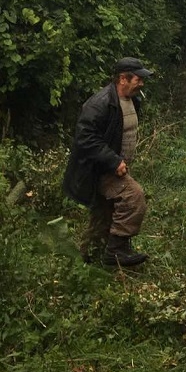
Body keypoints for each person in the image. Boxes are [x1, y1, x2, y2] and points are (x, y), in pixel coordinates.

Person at [63, 57, 153, 267]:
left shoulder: (132, 100)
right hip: (100, 169)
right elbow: (85, 137)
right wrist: (113, 161)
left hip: (116, 166)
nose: (142, 83)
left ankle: (85, 262)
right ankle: (116, 252)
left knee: (104, 214)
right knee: (134, 197)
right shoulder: (100, 103)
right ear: (123, 78)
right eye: (138, 79)